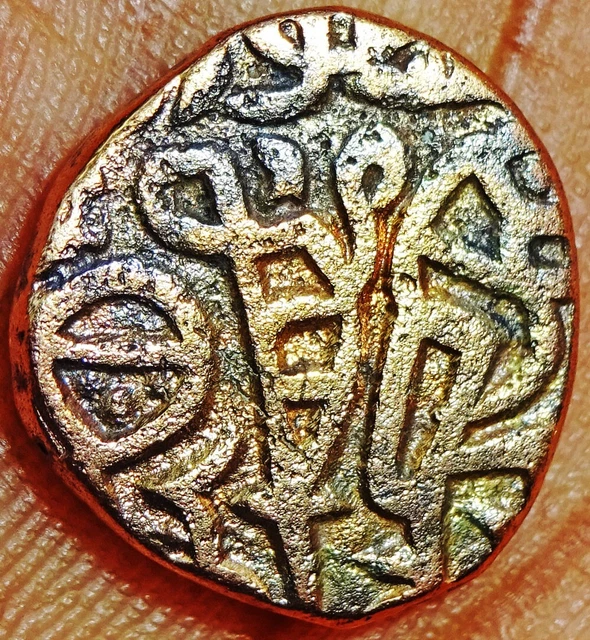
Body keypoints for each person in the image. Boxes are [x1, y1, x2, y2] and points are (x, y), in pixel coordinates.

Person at [0, 1, 587, 637]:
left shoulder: (401, 275)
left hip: (348, 429)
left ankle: (338, 518)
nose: (366, 192)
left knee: (380, 467)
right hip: (293, 400)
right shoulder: (308, 237)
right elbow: (212, 219)